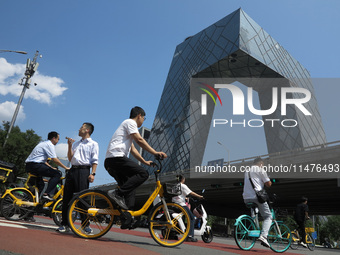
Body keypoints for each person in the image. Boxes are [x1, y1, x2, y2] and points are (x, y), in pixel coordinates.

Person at [104, 106, 167, 226]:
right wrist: (155, 152)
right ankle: (117, 193)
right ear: (139, 116)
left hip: (112, 161)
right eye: (144, 118)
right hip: (116, 158)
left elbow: (133, 149)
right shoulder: (130, 122)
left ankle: (127, 219)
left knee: (130, 188)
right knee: (143, 174)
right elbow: (139, 140)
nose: (143, 121)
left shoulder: (126, 129)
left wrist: (144, 161)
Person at [57, 123, 99, 234]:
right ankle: (65, 224)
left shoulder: (93, 144)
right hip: (72, 170)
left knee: (83, 198)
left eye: (81, 127)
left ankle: (86, 225)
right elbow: (70, 159)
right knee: (66, 197)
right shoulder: (76, 144)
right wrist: (70, 145)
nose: (79, 129)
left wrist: (93, 174)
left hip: (84, 171)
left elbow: (95, 160)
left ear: (87, 130)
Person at [25, 131, 69, 201]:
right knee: (57, 174)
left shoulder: (43, 143)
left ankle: (32, 202)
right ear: (54, 138)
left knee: (41, 185)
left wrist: (52, 168)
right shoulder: (50, 145)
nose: (58, 141)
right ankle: (47, 194)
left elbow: (43, 161)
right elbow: (54, 159)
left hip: (30, 165)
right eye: (58, 139)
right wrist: (66, 167)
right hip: (36, 166)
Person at [242, 157, 272, 248]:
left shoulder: (247, 171)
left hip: (246, 197)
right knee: (268, 216)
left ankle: (254, 230)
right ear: (261, 163)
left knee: (254, 215)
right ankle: (264, 236)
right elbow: (268, 184)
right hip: (257, 197)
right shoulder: (261, 169)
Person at [172, 174, 204, 242]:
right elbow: (191, 193)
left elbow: (177, 195)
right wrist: (199, 196)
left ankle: (172, 233)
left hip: (174, 204)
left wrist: (185, 198)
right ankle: (189, 236)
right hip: (181, 204)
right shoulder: (183, 185)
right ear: (183, 179)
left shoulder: (175, 186)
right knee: (191, 218)